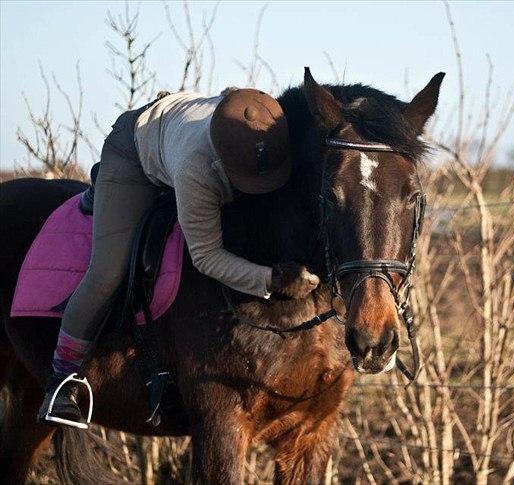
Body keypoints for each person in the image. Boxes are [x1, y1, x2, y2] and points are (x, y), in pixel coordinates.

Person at [37, 88, 320, 428]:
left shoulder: (267, 124)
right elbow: (206, 257)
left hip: (187, 120)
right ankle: (62, 379)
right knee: (107, 273)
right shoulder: (195, 169)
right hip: (133, 149)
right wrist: (270, 280)